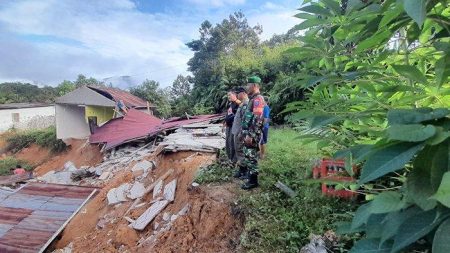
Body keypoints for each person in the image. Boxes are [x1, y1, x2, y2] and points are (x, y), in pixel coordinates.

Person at [240, 76, 266, 190]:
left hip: (252, 134)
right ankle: (250, 177)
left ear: (254, 85)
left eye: (248, 85)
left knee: (251, 156)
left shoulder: (258, 99)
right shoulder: (253, 98)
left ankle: (253, 181)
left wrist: (250, 135)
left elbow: (258, 118)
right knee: (248, 155)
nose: (247, 87)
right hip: (248, 133)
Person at [231, 87, 249, 179]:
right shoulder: (242, 104)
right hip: (237, 132)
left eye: (238, 93)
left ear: (243, 93)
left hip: (240, 133)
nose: (237, 95)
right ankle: (241, 170)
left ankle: (245, 171)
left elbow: (245, 120)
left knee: (241, 151)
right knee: (238, 151)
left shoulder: (246, 104)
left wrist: (241, 133)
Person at [224, 90, 240, 162]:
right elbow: (228, 114)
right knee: (227, 142)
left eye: (230, 95)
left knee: (232, 143)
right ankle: (229, 158)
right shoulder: (231, 104)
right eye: (228, 95)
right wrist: (225, 123)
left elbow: (237, 115)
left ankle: (234, 160)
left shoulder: (238, 103)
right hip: (228, 126)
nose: (228, 97)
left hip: (233, 126)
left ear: (234, 95)